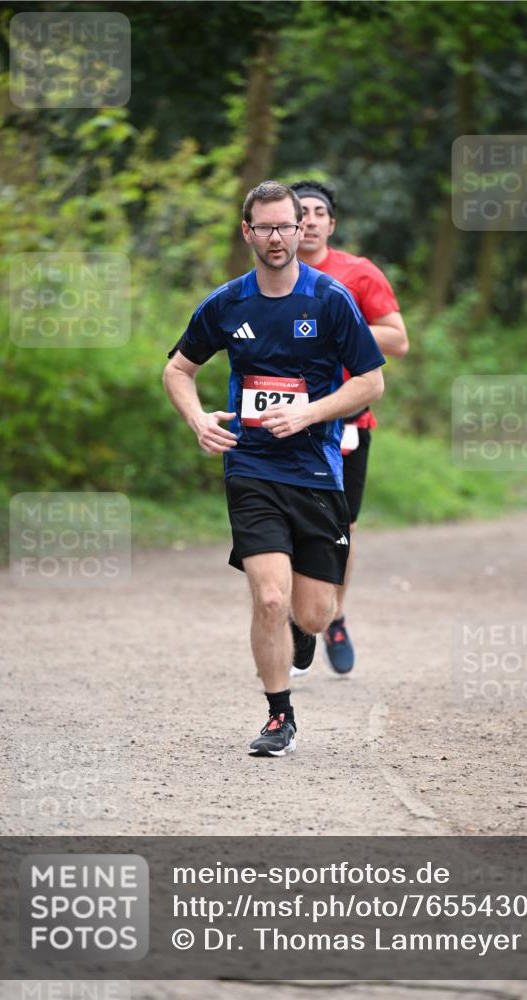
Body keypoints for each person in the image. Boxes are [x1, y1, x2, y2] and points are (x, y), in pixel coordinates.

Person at [163, 180, 385, 756]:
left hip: (315, 471)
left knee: (313, 613)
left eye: (286, 225)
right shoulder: (227, 303)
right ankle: (278, 715)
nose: (277, 236)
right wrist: (197, 420)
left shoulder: (331, 299)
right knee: (268, 597)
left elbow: (371, 381)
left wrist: (309, 412)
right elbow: (177, 370)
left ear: (300, 228)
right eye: (264, 227)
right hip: (253, 467)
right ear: (248, 233)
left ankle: (302, 634)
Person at [290, 179, 408, 673]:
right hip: (282, 416)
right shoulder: (272, 276)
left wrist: (338, 324)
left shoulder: (357, 274)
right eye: (302, 212)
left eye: (319, 212)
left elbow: (398, 340)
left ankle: (333, 615)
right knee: (286, 522)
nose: (310, 219)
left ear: (331, 224)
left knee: (341, 526)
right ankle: (297, 618)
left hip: (346, 420)